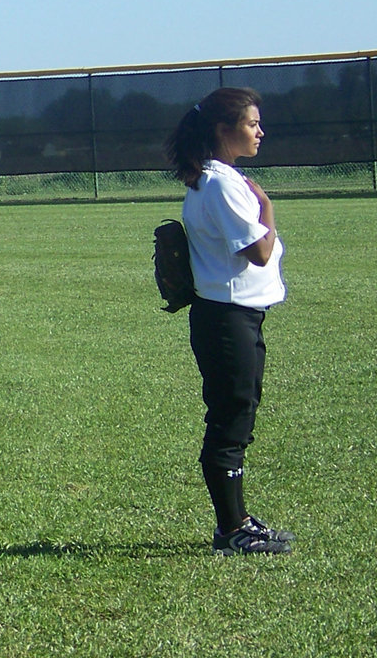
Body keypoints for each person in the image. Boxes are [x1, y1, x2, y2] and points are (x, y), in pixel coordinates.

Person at [164, 87, 294, 556]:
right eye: (251, 123)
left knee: (237, 415)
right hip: (227, 318)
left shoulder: (215, 179)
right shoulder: (220, 184)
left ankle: (237, 521)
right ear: (224, 130)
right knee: (230, 420)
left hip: (233, 316)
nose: (260, 131)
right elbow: (258, 252)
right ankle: (230, 530)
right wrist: (268, 209)